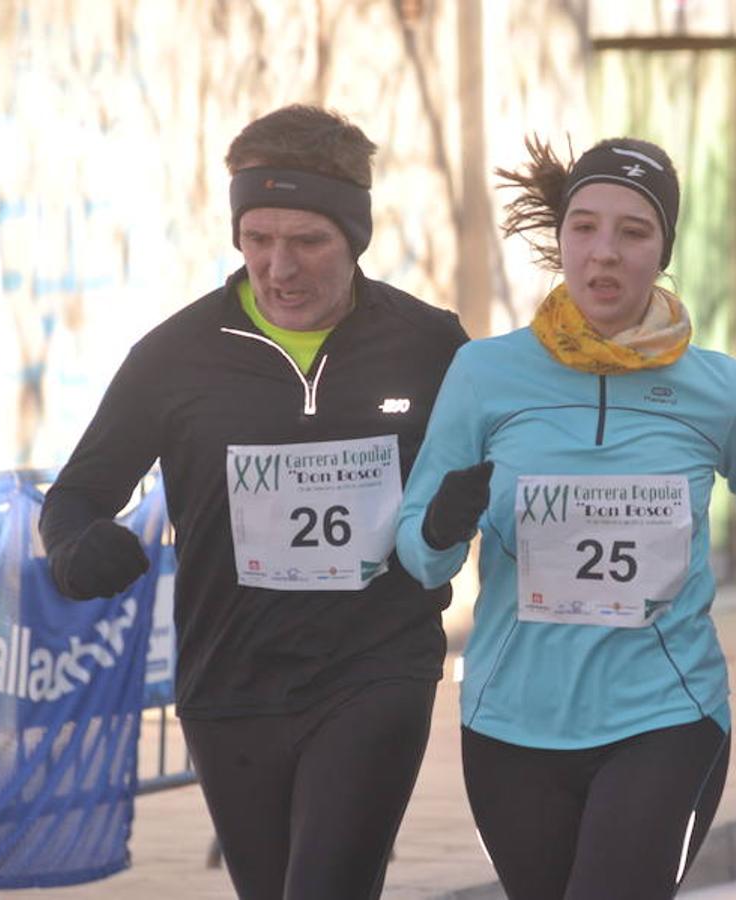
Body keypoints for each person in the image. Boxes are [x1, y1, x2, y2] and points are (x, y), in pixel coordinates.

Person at [39, 105, 468, 899]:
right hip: (230, 681)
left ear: (355, 236)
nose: (280, 267)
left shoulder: (429, 344)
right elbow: (77, 495)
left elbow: (499, 474)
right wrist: (78, 551)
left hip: (376, 669)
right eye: (257, 240)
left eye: (308, 241)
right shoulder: (175, 357)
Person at [395, 136, 736, 899]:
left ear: (663, 250)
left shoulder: (716, 387)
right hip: (510, 722)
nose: (605, 253)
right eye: (584, 227)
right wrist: (439, 524)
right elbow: (420, 555)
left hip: (665, 712)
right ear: (560, 242)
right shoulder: (485, 373)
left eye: (633, 231)